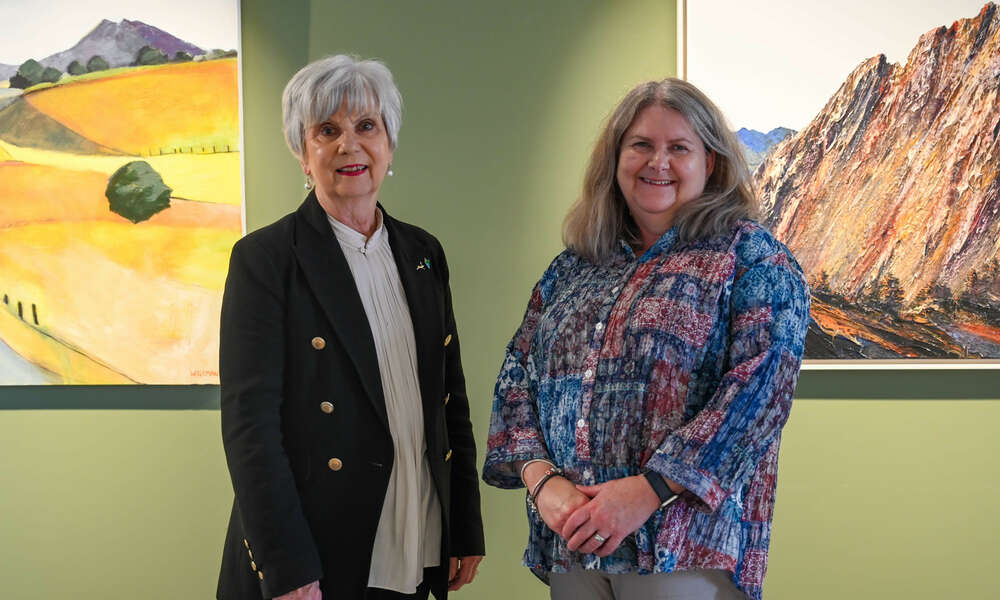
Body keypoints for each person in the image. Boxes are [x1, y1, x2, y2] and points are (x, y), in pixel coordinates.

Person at [482, 78, 810, 600]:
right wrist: (544, 484)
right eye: (641, 145)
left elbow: (760, 395)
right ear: (615, 160)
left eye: (678, 148)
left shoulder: (752, 258)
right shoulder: (573, 268)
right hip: (573, 544)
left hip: (683, 551)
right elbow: (516, 378)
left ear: (712, 163)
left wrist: (649, 490)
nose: (657, 162)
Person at [217, 55, 484, 600]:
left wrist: (465, 525)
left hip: (416, 531)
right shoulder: (266, 259)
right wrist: (286, 566)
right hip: (317, 550)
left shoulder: (422, 252)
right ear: (303, 153)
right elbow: (251, 428)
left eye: (367, 126)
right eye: (326, 131)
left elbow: (449, 399)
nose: (349, 145)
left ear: (389, 142)